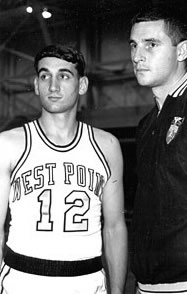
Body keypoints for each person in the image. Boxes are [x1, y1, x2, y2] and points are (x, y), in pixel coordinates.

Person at [0, 44, 128, 294]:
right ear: (36, 84)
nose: (53, 86)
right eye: (45, 75)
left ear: (82, 85)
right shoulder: (8, 144)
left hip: (87, 282)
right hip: (22, 281)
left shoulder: (107, 145)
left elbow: (114, 227)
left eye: (64, 75)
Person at [128, 4, 187, 294]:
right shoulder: (147, 123)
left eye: (151, 44)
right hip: (147, 286)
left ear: (182, 51)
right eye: (134, 45)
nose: (137, 56)